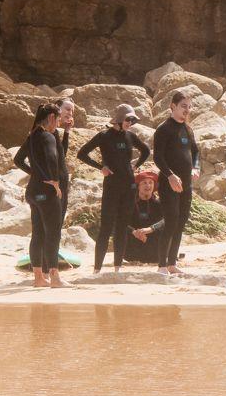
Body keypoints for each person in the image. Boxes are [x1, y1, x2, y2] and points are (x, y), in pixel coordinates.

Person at [76, 104, 151, 272]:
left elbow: (146, 151)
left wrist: (136, 165)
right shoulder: (104, 136)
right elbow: (81, 153)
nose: (130, 123)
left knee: (122, 227)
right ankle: (97, 269)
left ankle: (117, 267)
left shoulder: (130, 136)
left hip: (130, 187)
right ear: (118, 119)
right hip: (111, 187)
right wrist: (100, 167)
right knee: (106, 227)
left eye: (132, 120)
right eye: (128, 119)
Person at [14, 103, 65, 288]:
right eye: (58, 119)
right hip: (46, 192)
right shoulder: (47, 136)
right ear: (51, 117)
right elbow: (52, 158)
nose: (58, 123)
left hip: (32, 192)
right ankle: (55, 278)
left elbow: (17, 159)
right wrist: (54, 181)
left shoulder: (32, 136)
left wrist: (34, 173)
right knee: (53, 234)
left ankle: (38, 278)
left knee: (37, 235)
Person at [152, 90, 200, 276]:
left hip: (186, 184)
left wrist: (196, 168)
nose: (187, 110)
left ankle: (172, 263)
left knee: (181, 222)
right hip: (168, 183)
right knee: (171, 221)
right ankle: (161, 265)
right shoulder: (164, 129)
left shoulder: (188, 129)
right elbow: (158, 157)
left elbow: (195, 152)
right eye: (183, 106)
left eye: (189, 107)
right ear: (172, 106)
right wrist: (170, 175)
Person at [124, 168, 167, 265]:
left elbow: (166, 220)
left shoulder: (159, 203)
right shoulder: (129, 203)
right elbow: (121, 221)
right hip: (132, 248)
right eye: (144, 183)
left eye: (150, 183)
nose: (148, 186)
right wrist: (134, 232)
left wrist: (150, 229)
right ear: (138, 186)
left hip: (154, 246)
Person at [55, 97, 77, 231]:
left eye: (72, 111)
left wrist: (67, 131)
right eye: (68, 109)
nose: (70, 113)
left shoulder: (56, 132)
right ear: (58, 109)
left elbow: (62, 154)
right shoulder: (47, 132)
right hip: (53, 183)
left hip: (62, 182)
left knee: (59, 220)